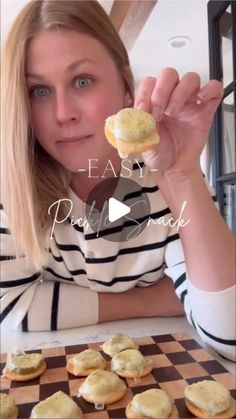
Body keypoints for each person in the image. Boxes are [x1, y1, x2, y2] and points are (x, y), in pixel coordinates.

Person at [1, 0, 235, 361]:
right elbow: (12, 306)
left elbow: (229, 335)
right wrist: (154, 299)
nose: (64, 114)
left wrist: (183, 174)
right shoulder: (11, 187)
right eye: (39, 91)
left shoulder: (164, 176)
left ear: (126, 88)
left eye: (82, 81)